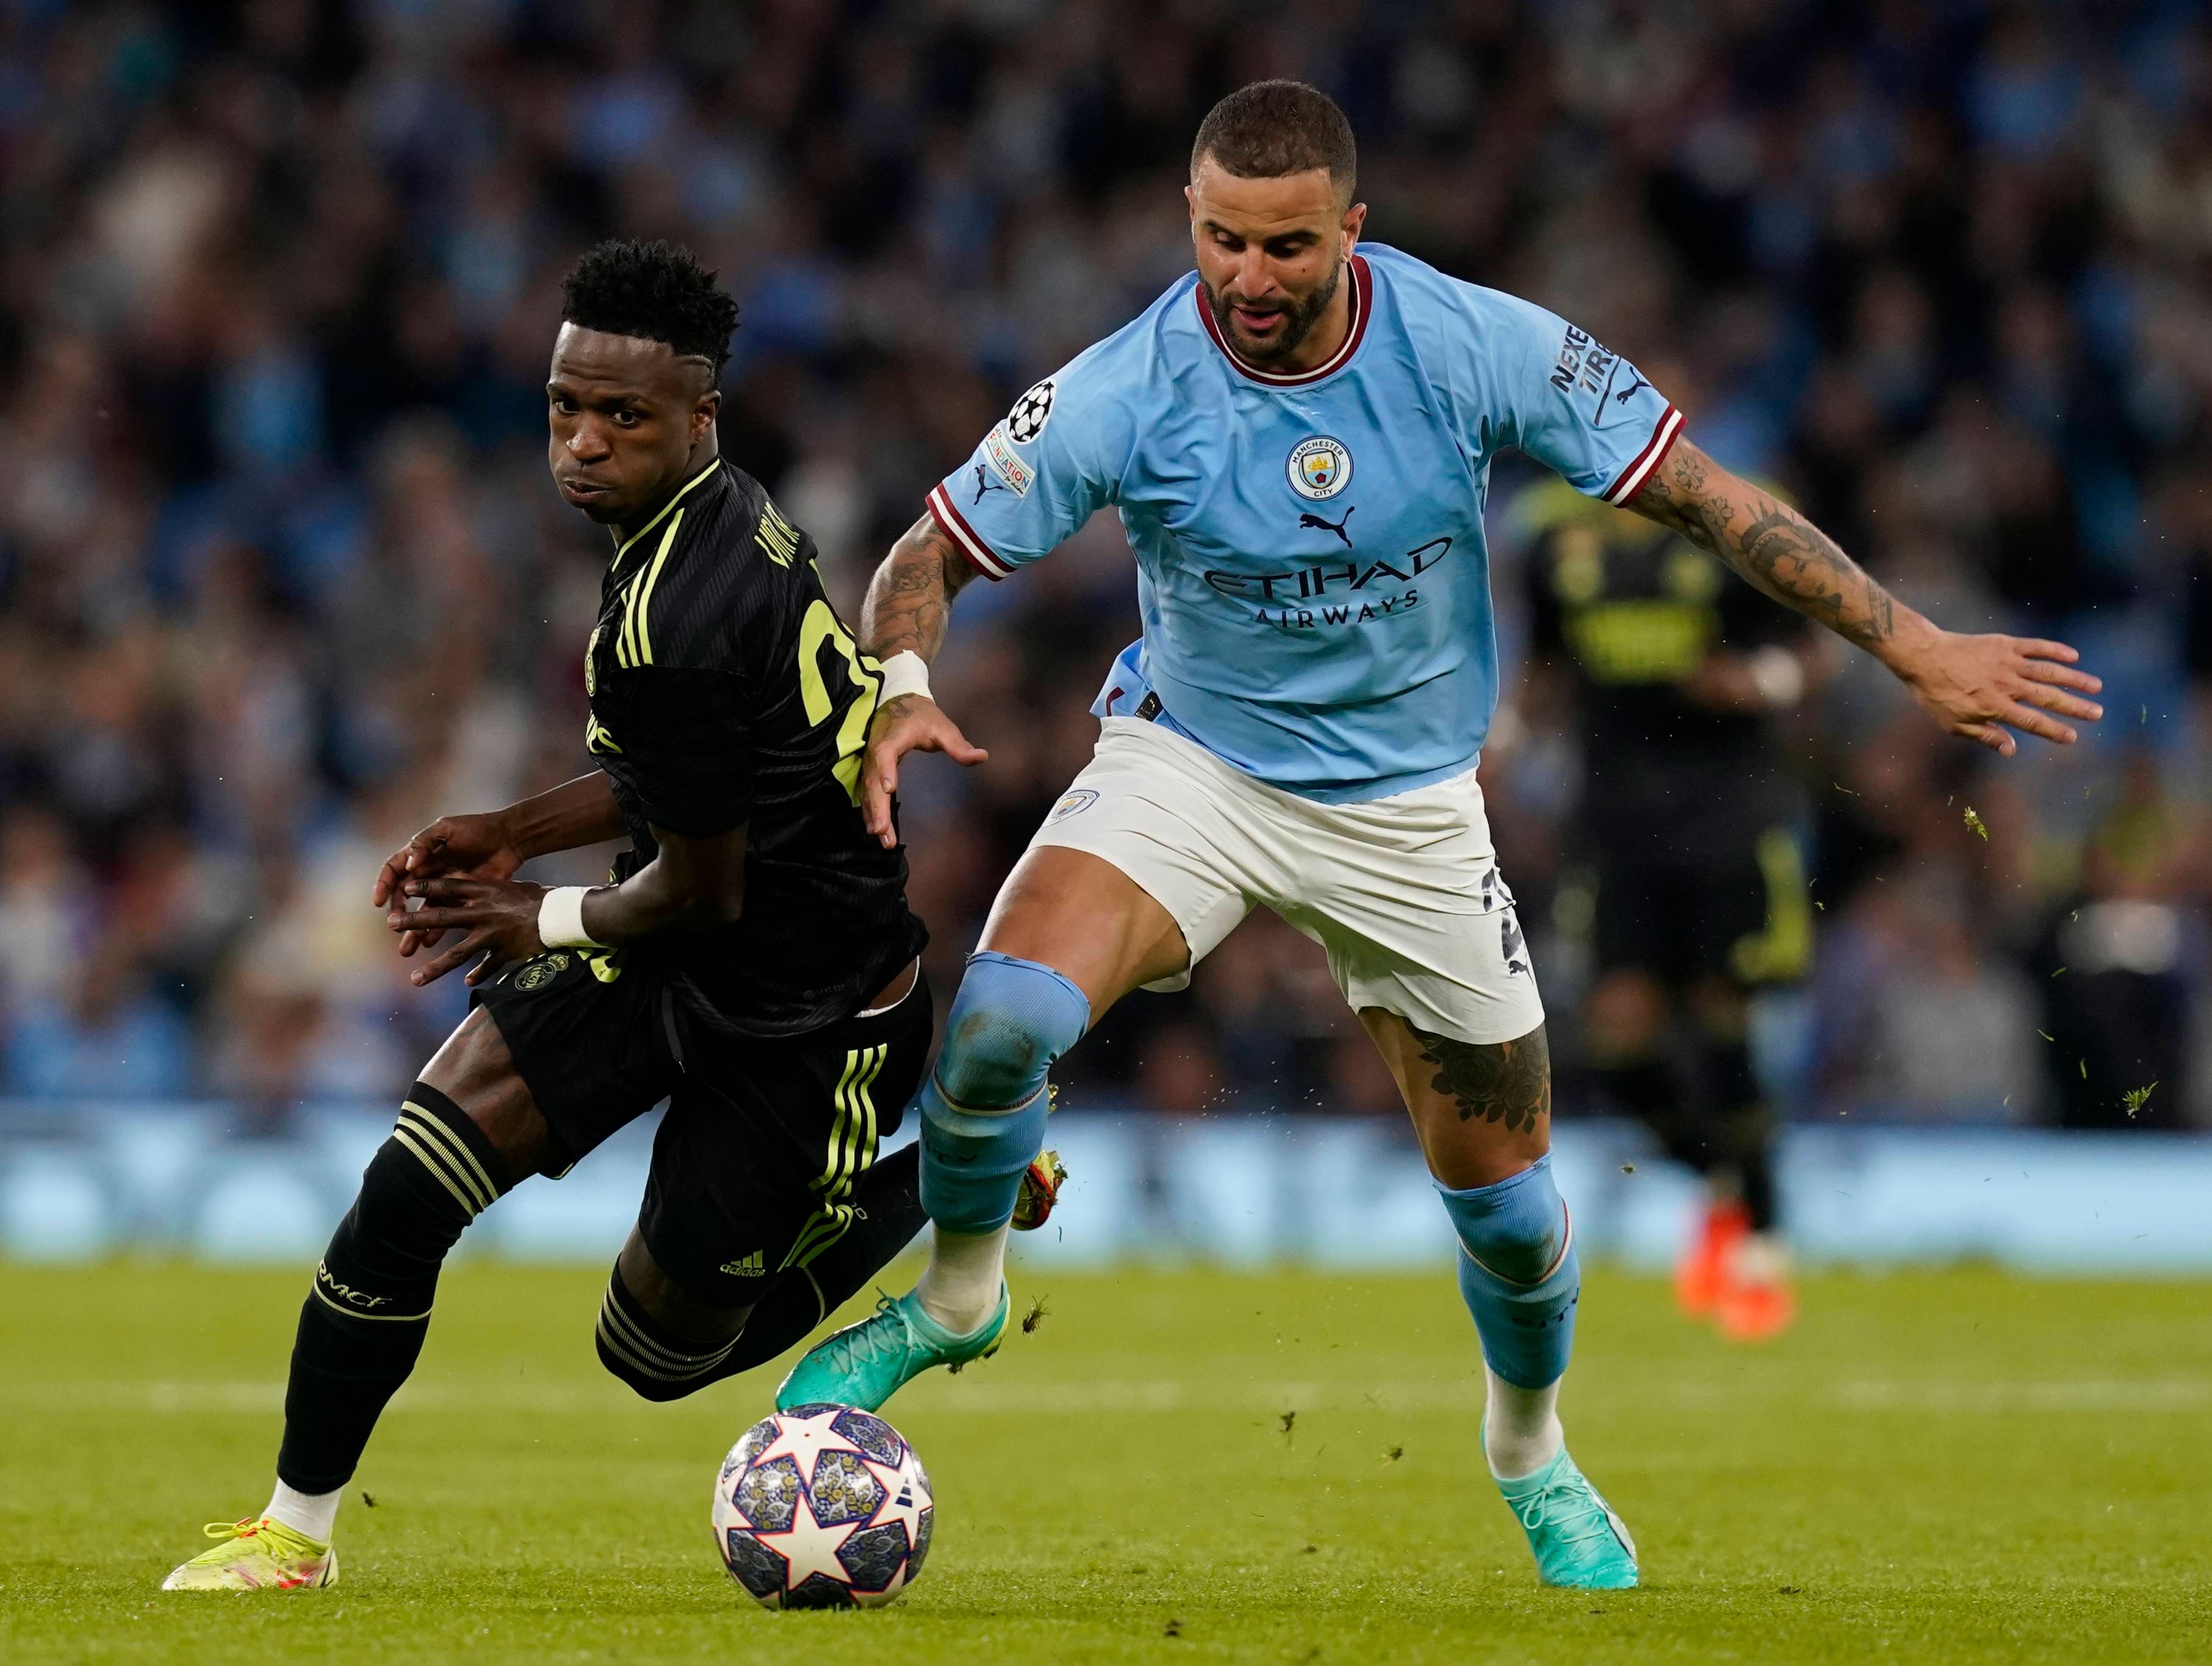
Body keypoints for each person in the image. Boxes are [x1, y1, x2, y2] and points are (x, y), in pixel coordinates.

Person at [770, 82, 2103, 1592]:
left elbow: (1710, 501)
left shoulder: (1473, 342)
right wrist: (900, 683)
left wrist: (1913, 643)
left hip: (1407, 814)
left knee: (1517, 1224)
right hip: (1190, 768)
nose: (1247, 280)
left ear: (1354, 226)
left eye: (1283, 247)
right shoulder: (1125, 385)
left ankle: (1527, 1448)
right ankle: (955, 1300)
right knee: (1002, 1021)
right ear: (1188, 223)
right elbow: (922, 559)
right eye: (1220, 242)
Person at [162, 239, 1056, 1593]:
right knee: (408, 1191)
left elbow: (704, 882)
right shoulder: (704, 523)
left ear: (699, 418)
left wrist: (539, 915)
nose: (583, 442)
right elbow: (688, 782)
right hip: (675, 938)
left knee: (651, 1358)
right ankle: (293, 1535)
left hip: (803, 1010)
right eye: (564, 409)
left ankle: (951, 1182)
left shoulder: (680, 606)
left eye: (621, 417)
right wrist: (509, 831)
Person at [1514, 457, 1818, 1340]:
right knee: (1617, 1031)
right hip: (1612, 821)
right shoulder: (1548, 533)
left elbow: (1814, 640)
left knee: (1722, 1017)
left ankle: (1763, 1243)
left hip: (1727, 811)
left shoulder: (1740, 513)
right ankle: (1724, 1183)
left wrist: (1758, 683)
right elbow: (1541, 661)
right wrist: (1502, 738)